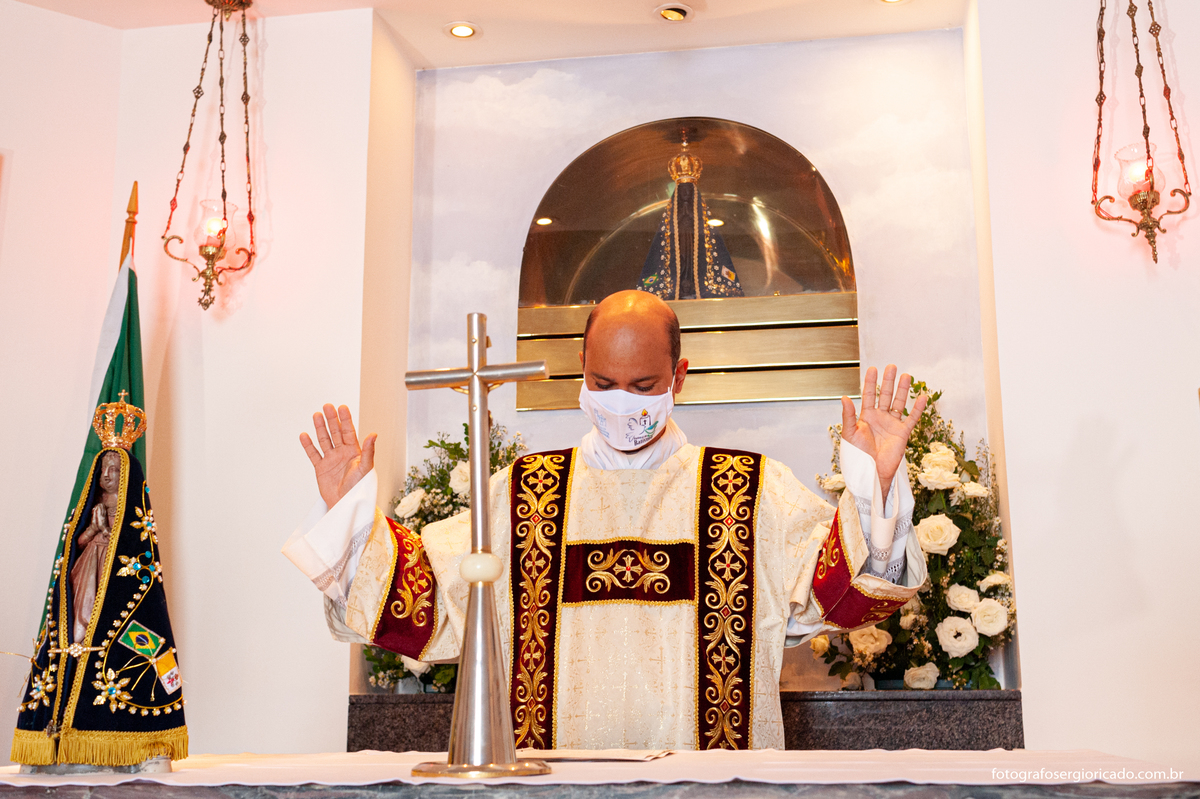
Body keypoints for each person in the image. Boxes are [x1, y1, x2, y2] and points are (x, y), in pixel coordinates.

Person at [284, 290, 928, 750]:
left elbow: (845, 597)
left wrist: (877, 486)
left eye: (644, 386)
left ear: (680, 376)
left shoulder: (751, 493)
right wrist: (349, 517)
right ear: (581, 380)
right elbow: (423, 607)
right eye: (604, 381)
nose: (622, 402)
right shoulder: (522, 495)